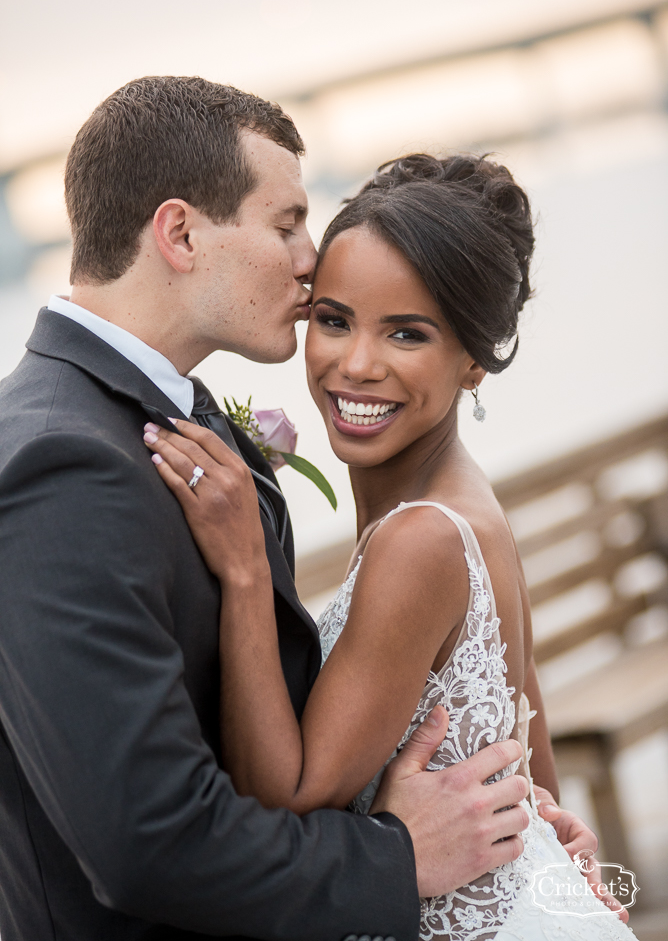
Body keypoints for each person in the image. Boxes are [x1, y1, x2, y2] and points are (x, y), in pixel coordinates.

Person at [0, 78, 548, 941]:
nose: (307, 257)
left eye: (406, 332)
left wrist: (538, 835)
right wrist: (396, 854)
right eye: (287, 223)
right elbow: (145, 838)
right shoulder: (59, 461)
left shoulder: (182, 421)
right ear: (179, 232)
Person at [144, 153, 635, 938]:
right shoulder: (463, 505)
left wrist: (242, 570)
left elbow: (292, 793)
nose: (357, 365)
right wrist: (548, 831)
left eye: (407, 333)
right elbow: (522, 691)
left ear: (473, 359)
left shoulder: (420, 539)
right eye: (334, 320)